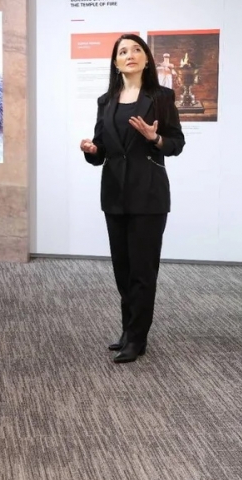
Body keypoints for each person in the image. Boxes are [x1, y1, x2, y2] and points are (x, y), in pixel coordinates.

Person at [79, 34, 185, 364]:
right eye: (123, 51)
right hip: (114, 194)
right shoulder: (105, 101)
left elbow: (176, 143)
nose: (130, 55)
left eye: (137, 49)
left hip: (149, 194)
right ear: (115, 63)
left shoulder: (161, 97)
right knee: (123, 270)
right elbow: (101, 150)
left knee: (142, 271)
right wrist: (91, 150)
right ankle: (128, 331)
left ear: (147, 59)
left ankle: (137, 338)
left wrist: (155, 137)